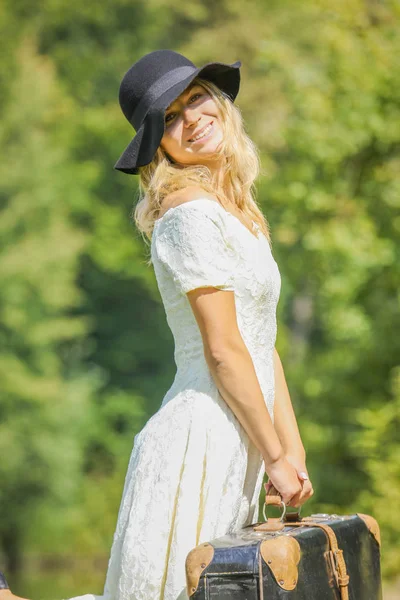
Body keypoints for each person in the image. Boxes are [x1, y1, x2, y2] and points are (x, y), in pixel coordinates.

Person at [0, 49, 313, 600]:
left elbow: (262, 345)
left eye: (195, 99)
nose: (191, 118)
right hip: (201, 440)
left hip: (244, 436)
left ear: (218, 102)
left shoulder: (241, 213)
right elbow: (223, 352)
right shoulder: (188, 214)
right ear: (158, 144)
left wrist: (292, 451)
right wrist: (273, 454)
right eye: (170, 117)